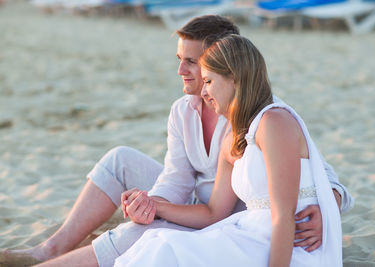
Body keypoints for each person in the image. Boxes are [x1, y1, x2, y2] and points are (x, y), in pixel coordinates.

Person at [8, 16, 352, 267]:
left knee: (147, 238)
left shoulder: (263, 116)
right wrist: (151, 204)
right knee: (121, 161)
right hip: (200, 207)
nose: (183, 72)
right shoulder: (184, 111)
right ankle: (53, 248)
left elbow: (322, 179)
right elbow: (175, 179)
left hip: (241, 220)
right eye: (180, 60)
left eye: (193, 63)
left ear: (222, 63)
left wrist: (328, 207)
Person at [114, 34, 343, 267]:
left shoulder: (274, 122)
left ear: (233, 78)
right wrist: (154, 205)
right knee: (156, 245)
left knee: (164, 251)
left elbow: (284, 214)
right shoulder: (233, 139)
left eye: (209, 82)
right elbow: (213, 213)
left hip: (288, 248)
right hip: (249, 236)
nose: (203, 93)